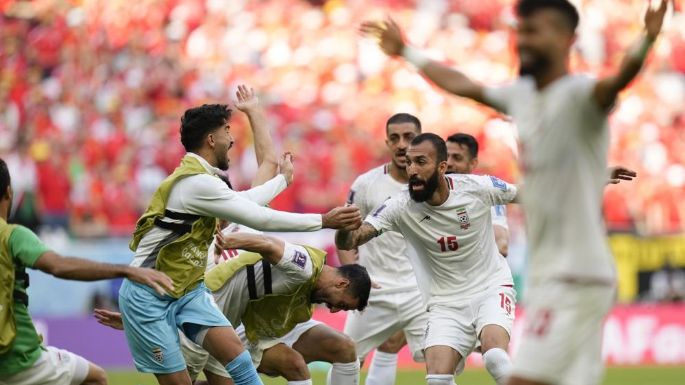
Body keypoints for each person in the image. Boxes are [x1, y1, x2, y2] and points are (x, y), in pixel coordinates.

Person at [360, 1, 670, 384]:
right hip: (552, 275)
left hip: (575, 275)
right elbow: (465, 85)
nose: (522, 39)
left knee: (521, 379)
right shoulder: (523, 96)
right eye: (521, 30)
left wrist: (647, 38)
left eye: (535, 30)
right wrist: (407, 51)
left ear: (566, 39)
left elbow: (616, 81)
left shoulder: (579, 94)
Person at [119, 85, 362, 385]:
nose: (232, 140)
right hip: (160, 296)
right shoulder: (200, 194)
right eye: (226, 132)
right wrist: (323, 219)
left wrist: (258, 120)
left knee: (243, 365)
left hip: (197, 301)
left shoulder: (229, 215)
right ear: (211, 139)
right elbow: (256, 212)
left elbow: (255, 193)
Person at [337, 133, 519, 385]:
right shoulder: (400, 206)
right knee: (436, 379)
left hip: (490, 287)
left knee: (495, 357)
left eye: (420, 162)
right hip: (444, 302)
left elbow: (527, 196)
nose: (412, 169)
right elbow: (352, 239)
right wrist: (343, 227)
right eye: (409, 162)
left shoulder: (477, 188)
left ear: (442, 167)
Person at [96, 224, 371, 385]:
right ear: (342, 284)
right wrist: (234, 240)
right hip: (224, 316)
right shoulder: (304, 265)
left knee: (343, 347)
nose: (335, 311)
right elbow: (268, 244)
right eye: (343, 305)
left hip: (254, 318)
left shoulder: (310, 285)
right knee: (293, 364)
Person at [0, 157, 174, 385]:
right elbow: (58, 265)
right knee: (96, 378)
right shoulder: (13, 235)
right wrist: (126, 270)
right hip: (17, 357)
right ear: (9, 192)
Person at [337, 113, 429, 385]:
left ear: (421, 140)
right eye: (395, 138)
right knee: (347, 357)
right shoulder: (366, 184)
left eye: (409, 137)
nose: (402, 144)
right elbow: (345, 236)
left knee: (441, 361)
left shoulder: (436, 184)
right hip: (375, 290)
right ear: (387, 142)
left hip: (421, 292)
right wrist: (354, 278)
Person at [446, 133, 509, 256]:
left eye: (457, 158)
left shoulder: (488, 194)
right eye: (446, 156)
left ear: (473, 163)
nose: (449, 163)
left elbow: (502, 245)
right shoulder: (426, 194)